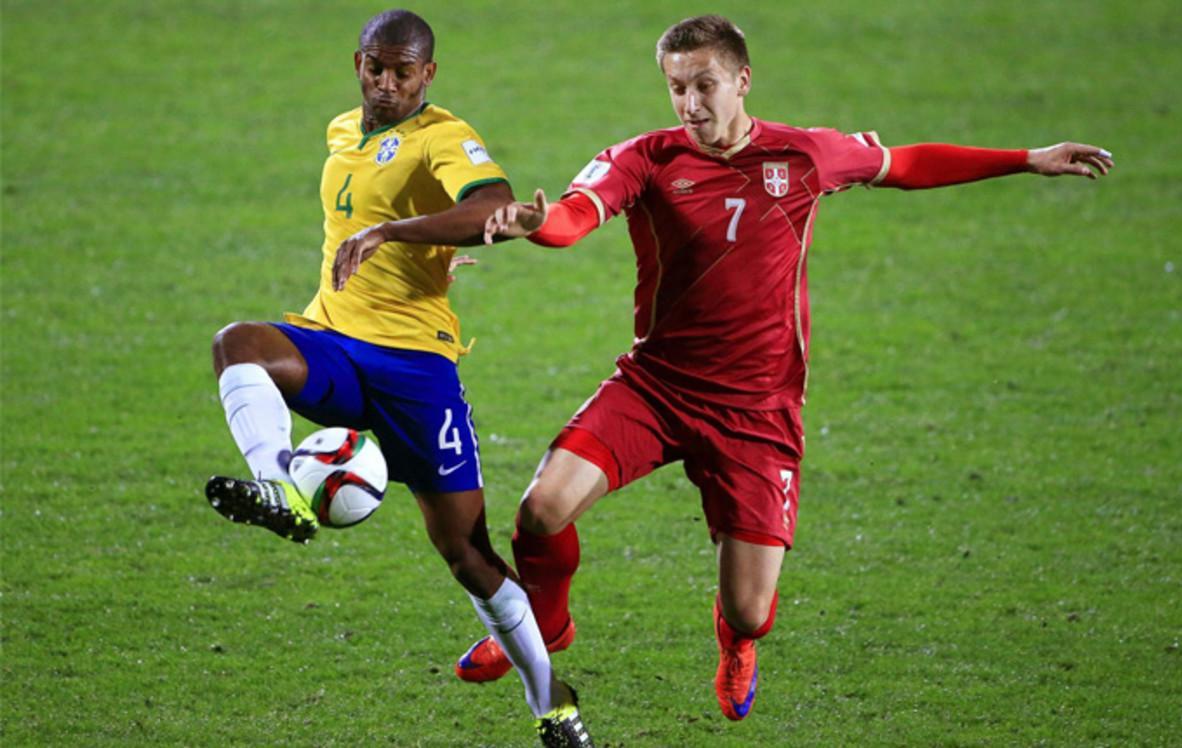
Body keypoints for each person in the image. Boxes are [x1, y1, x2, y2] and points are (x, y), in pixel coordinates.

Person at [450, 14, 1113, 722]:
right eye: (677, 88)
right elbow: (578, 216)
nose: (691, 104)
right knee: (541, 511)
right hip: (657, 385)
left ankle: (737, 641)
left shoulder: (804, 156)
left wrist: (1026, 157)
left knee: (752, 607)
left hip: (757, 410)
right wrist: (534, 226)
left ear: (742, 80)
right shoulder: (646, 157)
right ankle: (546, 626)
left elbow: (906, 164)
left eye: (705, 85)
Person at [203, 9, 593, 746]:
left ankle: (553, 702)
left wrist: (400, 235)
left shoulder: (442, 136)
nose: (386, 84)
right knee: (240, 344)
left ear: (428, 74)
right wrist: (407, 245)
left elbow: (484, 203)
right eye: (375, 68)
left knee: (467, 555)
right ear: (357, 63)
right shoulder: (340, 131)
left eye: (402, 71)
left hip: (417, 371)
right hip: (335, 345)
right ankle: (280, 487)